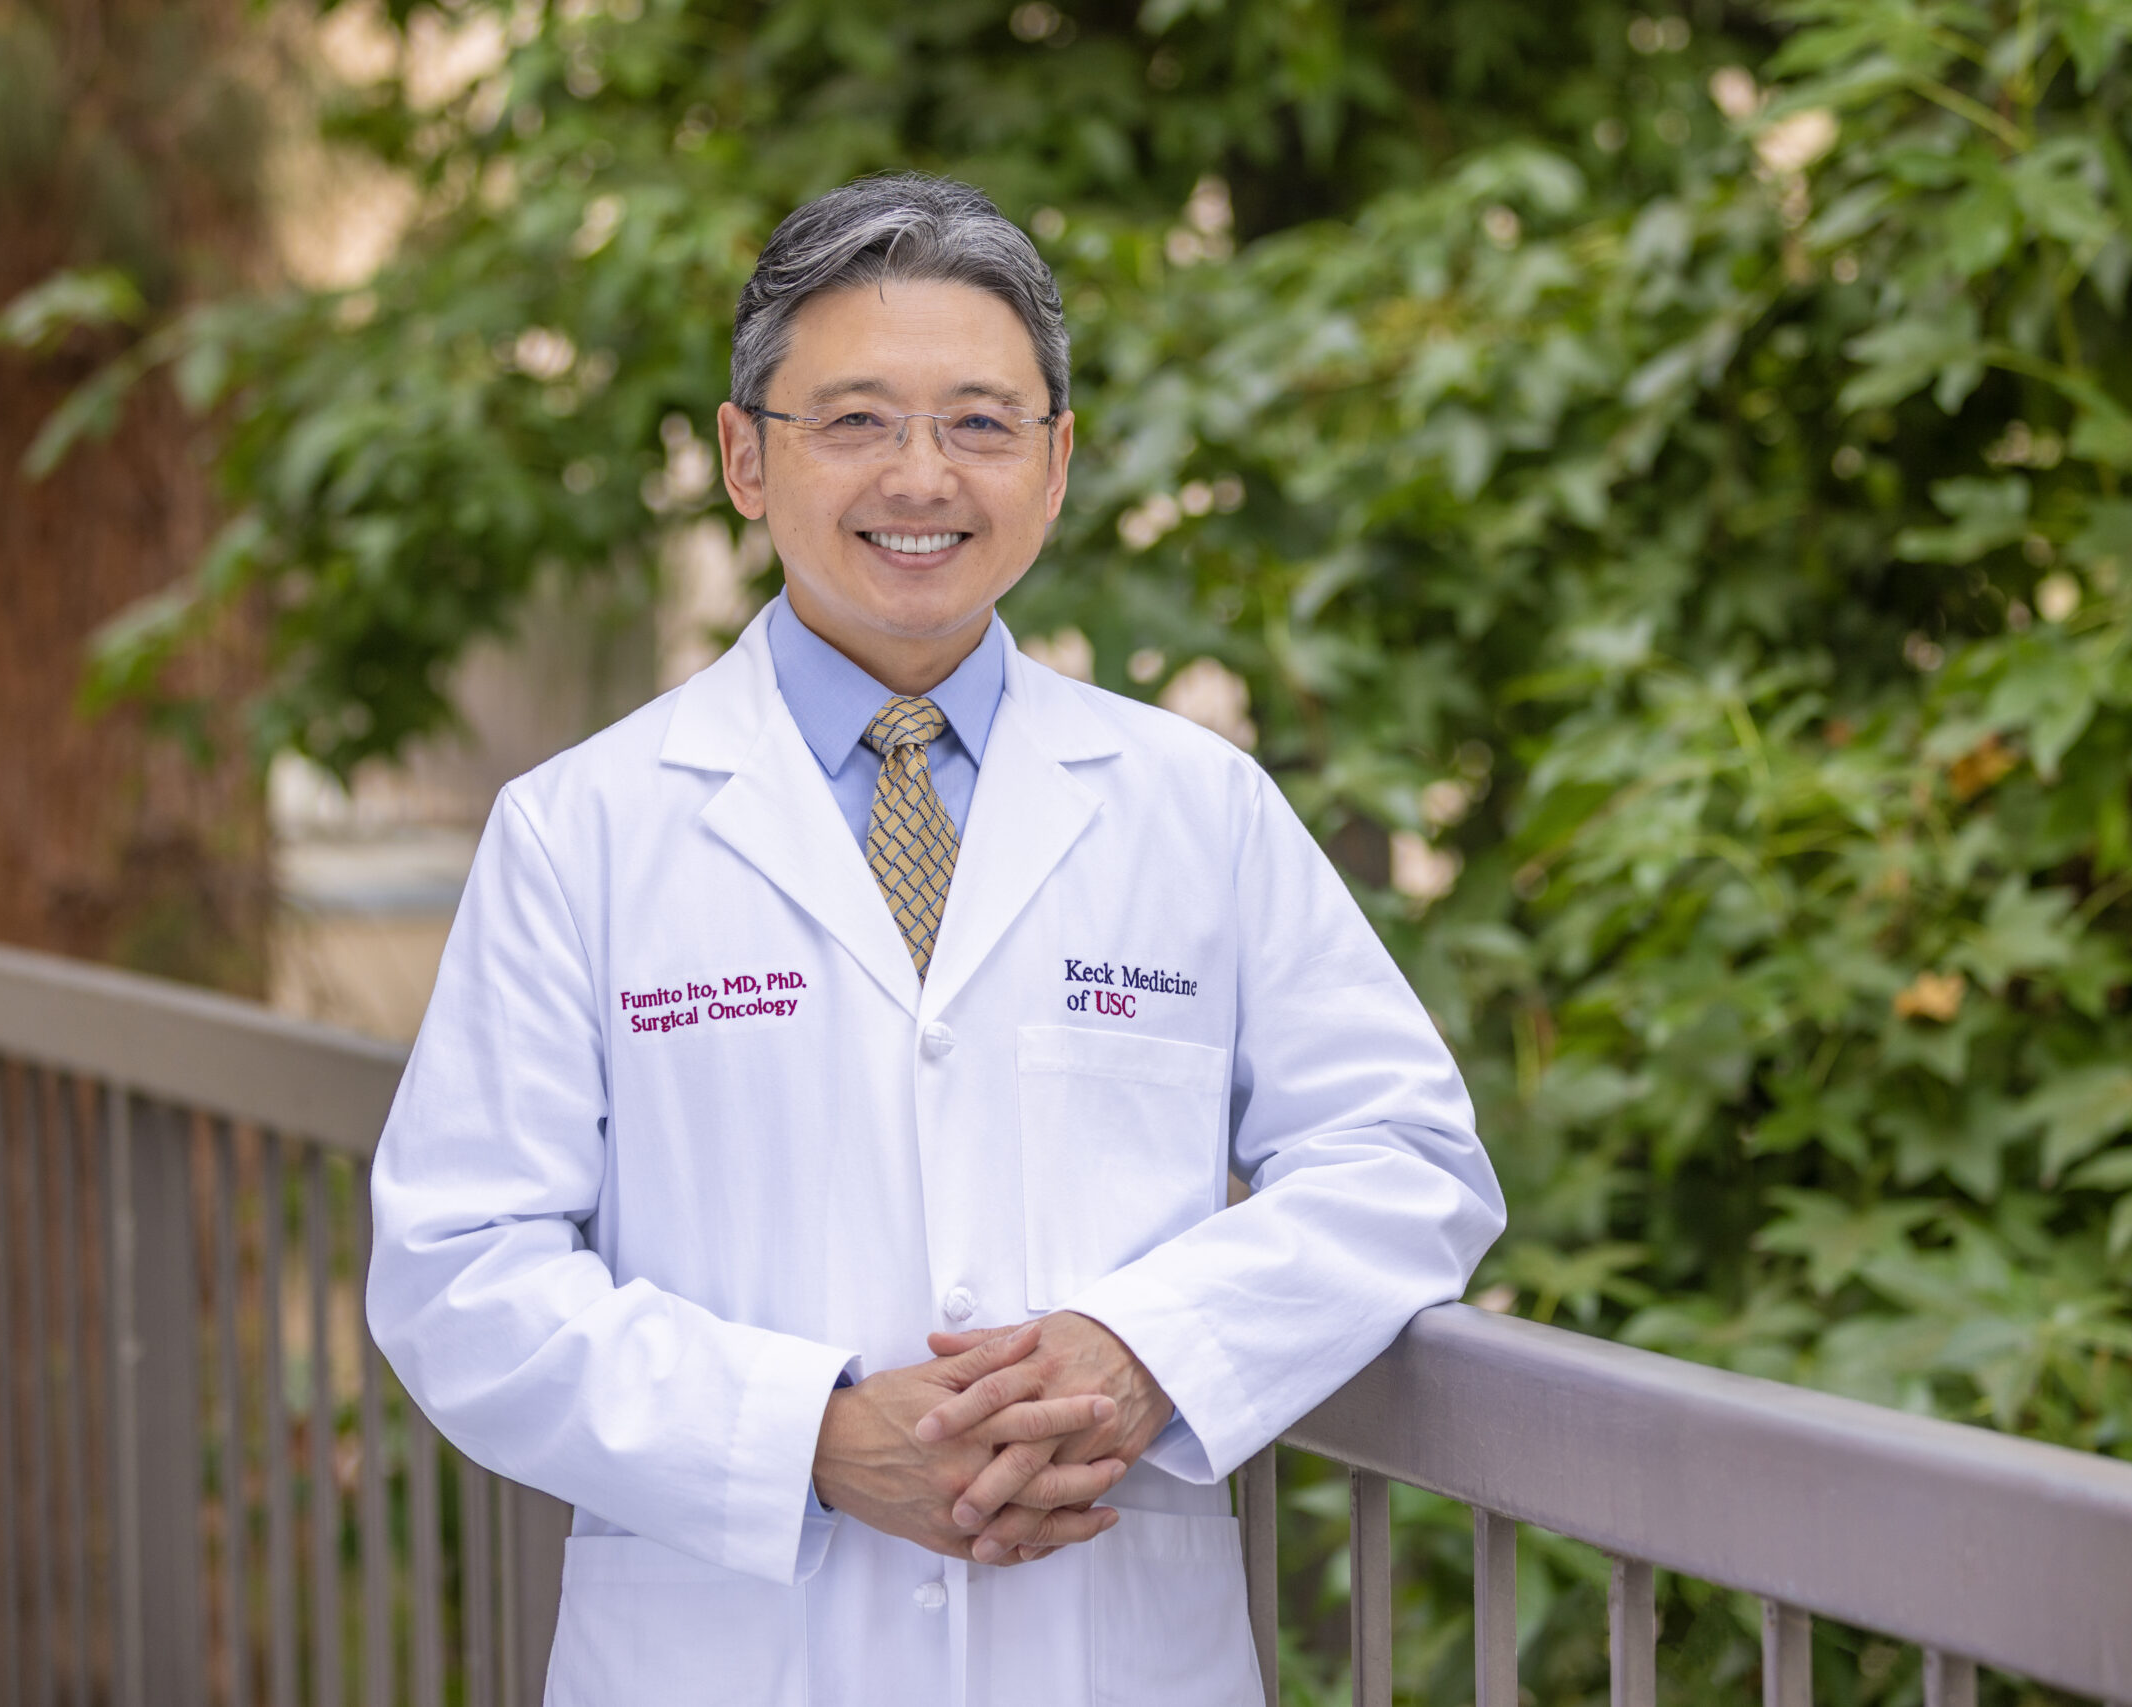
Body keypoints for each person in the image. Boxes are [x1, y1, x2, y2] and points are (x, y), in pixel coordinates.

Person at [366, 171, 1504, 1707]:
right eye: (855, 421)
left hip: (1101, 1654)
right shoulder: (583, 831)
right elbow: (457, 1272)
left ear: (1057, 464)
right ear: (744, 457)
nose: (922, 477)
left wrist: (1148, 1350)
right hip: (728, 1658)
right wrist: (805, 1440)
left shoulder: (1196, 807)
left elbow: (1409, 1158)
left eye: (980, 423)